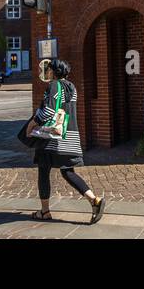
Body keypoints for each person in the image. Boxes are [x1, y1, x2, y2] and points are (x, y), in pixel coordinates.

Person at [25, 58, 106, 224]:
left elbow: (48, 110)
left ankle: (45, 211)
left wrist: (32, 124)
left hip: (51, 137)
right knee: (67, 171)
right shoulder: (72, 87)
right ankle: (94, 200)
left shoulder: (54, 85)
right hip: (69, 136)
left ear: (54, 72)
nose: (47, 72)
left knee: (43, 170)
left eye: (49, 70)